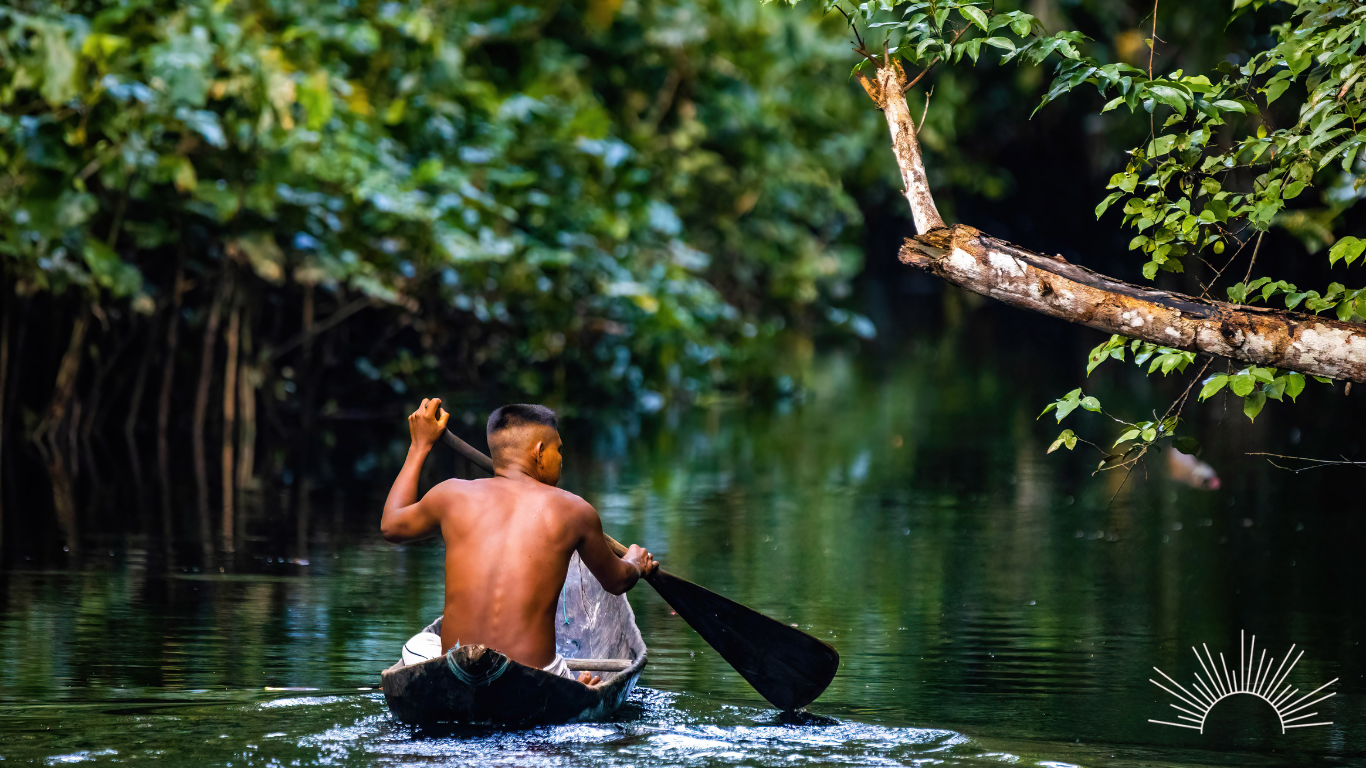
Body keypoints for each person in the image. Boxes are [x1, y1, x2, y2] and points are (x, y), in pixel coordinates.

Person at [380, 399, 659, 686]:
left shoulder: (451, 494)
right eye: (558, 449)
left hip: (456, 670)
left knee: (422, 644)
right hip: (535, 678)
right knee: (559, 673)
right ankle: (572, 685)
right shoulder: (575, 511)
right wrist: (635, 563)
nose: (561, 459)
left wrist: (419, 446)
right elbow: (616, 582)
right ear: (539, 452)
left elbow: (391, 526)